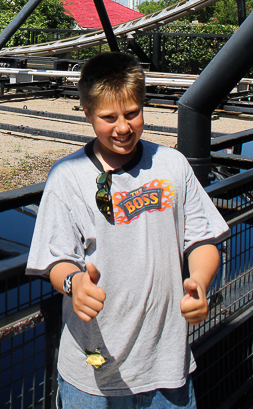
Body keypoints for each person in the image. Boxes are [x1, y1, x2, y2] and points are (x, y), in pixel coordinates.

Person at [26, 52, 229, 408]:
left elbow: (201, 238)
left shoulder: (171, 164)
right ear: (87, 114)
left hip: (167, 366)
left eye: (132, 113)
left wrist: (198, 281)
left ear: (143, 106)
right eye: (108, 117)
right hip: (93, 374)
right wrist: (75, 284)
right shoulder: (67, 176)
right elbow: (56, 260)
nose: (123, 127)